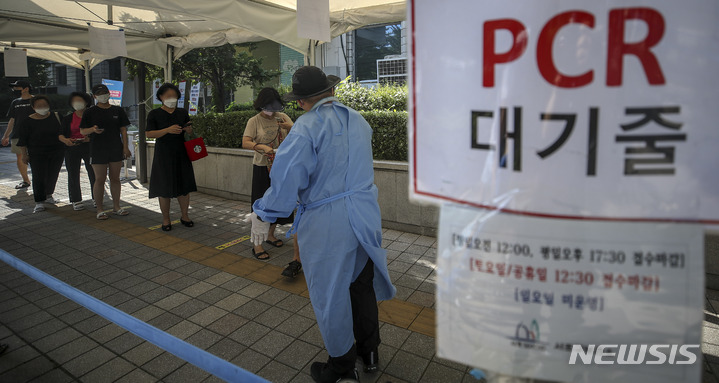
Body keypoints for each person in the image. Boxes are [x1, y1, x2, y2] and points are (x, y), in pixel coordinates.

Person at [250, 67, 396, 382]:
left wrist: (264, 213)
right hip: (365, 212)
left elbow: (287, 181)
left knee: (330, 294)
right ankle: (369, 351)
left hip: (329, 220)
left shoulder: (307, 127)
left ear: (302, 101)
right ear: (331, 92)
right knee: (361, 285)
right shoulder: (358, 120)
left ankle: (342, 369)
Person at [242, 87, 300, 269]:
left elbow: (299, 136)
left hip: (282, 169)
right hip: (262, 167)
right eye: (268, 106)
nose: (271, 110)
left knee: (279, 203)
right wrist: (261, 147)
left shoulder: (282, 117)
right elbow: (246, 142)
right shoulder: (254, 121)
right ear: (261, 105)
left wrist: (291, 127)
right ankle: (257, 244)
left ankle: (270, 234)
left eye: (274, 106)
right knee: (261, 205)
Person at [146, 83, 197, 231]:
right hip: (163, 154)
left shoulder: (182, 112)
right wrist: (167, 130)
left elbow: (190, 131)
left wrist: (188, 130)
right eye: (168, 96)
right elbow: (149, 133)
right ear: (160, 97)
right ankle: (166, 218)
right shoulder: (154, 114)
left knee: (184, 186)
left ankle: (185, 215)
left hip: (182, 153)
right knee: (164, 188)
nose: (171, 99)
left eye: (174, 96)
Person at [79, 84, 132, 220]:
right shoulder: (90, 112)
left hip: (115, 147)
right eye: (99, 93)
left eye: (105, 92)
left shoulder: (117, 110)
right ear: (94, 96)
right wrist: (92, 130)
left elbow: (123, 130)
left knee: (115, 178)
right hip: (97, 149)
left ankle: (116, 206)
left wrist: (125, 147)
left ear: (109, 94)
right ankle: (100, 209)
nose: (103, 95)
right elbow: (83, 131)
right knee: (100, 179)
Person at [16, 95, 65, 213]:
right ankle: (39, 201)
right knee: (39, 176)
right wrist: (24, 155)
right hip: (37, 153)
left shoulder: (56, 116)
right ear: (33, 107)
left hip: (57, 151)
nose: (42, 108)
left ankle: (49, 195)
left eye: (45, 105)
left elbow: (64, 131)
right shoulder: (27, 122)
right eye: (39, 106)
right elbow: (22, 141)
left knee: (53, 174)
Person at [59, 92, 95, 211]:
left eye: (79, 100)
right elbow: (60, 134)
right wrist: (66, 140)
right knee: (73, 173)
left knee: (93, 172)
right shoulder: (68, 118)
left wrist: (88, 138)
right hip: (72, 148)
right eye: (74, 101)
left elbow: (98, 132)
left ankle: (96, 197)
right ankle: (76, 199)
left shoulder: (92, 116)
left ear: (86, 102)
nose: (77, 103)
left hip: (89, 147)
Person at [2, 80, 34, 189]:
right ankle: (26, 180)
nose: (15, 90)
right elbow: (12, 119)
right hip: (18, 134)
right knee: (20, 157)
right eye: (14, 88)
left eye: (17, 87)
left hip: (34, 134)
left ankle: (41, 180)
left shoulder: (35, 100)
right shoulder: (15, 102)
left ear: (26, 88)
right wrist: (6, 135)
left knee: (36, 157)